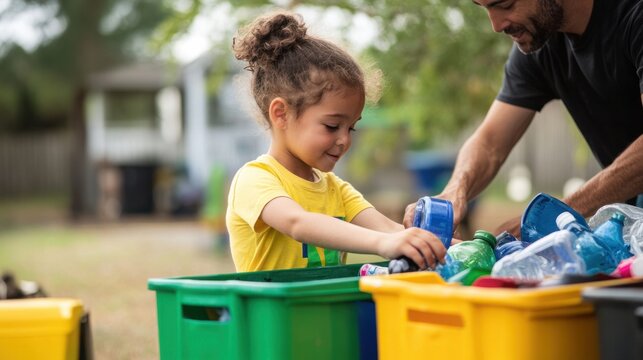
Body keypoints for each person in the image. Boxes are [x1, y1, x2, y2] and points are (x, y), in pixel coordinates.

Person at [226, 11, 447, 272]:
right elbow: (298, 223)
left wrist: (462, 247)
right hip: (270, 313)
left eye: (351, 128)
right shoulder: (255, 179)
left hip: (328, 313)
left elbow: (392, 230)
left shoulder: (335, 189)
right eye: (332, 126)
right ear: (281, 114)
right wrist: (383, 243)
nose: (344, 140)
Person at [404, 0, 643, 238]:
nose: (496, 25)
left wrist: (553, 214)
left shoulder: (635, 15)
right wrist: (454, 192)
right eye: (485, 8)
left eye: (505, 5)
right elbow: (490, 143)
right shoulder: (542, 39)